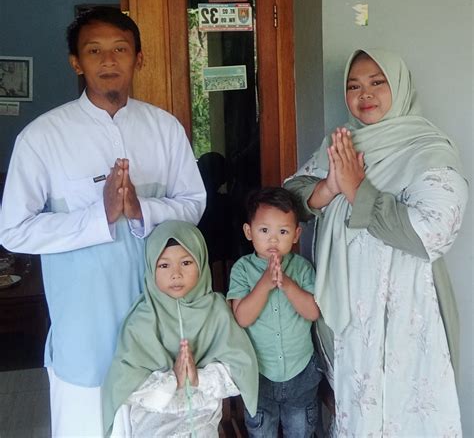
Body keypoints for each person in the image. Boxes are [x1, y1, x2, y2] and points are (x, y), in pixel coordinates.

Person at [0, 6, 206, 436]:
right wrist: (100, 215)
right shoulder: (42, 137)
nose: (108, 60)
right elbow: (13, 230)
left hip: (159, 321)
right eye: (94, 51)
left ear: (138, 58)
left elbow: (193, 204)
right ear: (76, 62)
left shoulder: (165, 129)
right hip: (85, 331)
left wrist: (141, 209)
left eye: (120, 49)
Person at [284, 49, 468, 436]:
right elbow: (289, 200)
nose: (364, 94)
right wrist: (328, 186)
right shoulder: (342, 144)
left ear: (398, 86)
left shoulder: (428, 149)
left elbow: (432, 232)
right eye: (354, 86)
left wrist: (357, 189)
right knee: (359, 411)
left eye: (377, 82)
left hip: (409, 308)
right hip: (352, 309)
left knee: (408, 411)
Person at [102, 220, 258, 437]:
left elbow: (240, 372)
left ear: (201, 262)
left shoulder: (217, 312)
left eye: (186, 262)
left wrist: (199, 379)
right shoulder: (142, 320)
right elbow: (124, 387)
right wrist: (172, 380)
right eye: (164, 265)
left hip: (204, 428)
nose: (176, 274)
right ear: (150, 267)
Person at [226, 187, 322, 437]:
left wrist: (287, 284)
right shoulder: (242, 269)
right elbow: (242, 318)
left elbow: (313, 312)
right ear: (249, 232)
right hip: (259, 375)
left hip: (301, 372)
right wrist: (264, 284)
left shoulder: (301, 268)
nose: (273, 239)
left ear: (296, 234)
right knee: (261, 431)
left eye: (283, 231)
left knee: (300, 430)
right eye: (264, 230)